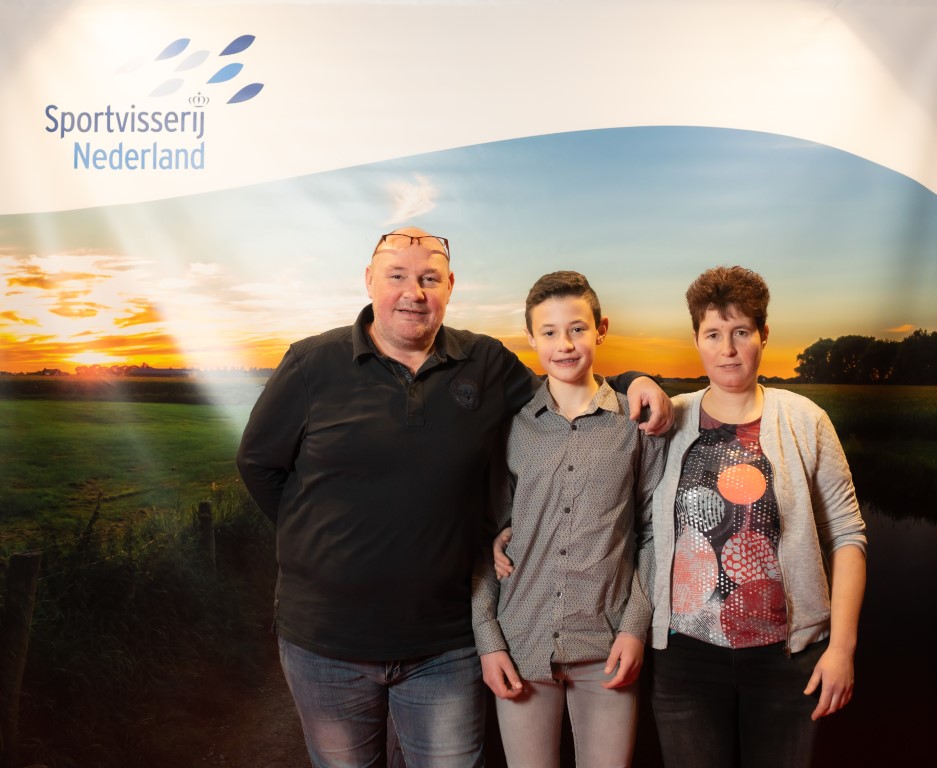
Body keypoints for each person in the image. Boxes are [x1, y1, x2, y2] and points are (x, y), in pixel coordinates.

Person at [235, 227, 673, 768]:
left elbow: (566, 387)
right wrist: (314, 538)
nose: (413, 292)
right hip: (326, 640)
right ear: (369, 280)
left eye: (429, 278)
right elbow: (258, 464)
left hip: (444, 643)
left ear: (449, 286)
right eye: (397, 275)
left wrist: (635, 379)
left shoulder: (484, 363)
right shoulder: (312, 363)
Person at [645, 266, 867, 768]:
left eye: (741, 332)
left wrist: (842, 648)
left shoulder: (805, 420)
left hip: (787, 660)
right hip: (683, 659)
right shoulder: (668, 420)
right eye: (713, 334)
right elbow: (627, 517)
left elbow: (848, 536)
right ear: (697, 340)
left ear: (764, 335)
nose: (728, 349)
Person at [472, 271, 665, 768]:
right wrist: (488, 639)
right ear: (531, 339)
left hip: (607, 645)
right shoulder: (513, 428)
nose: (564, 344)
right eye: (550, 332)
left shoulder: (635, 425)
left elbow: (652, 534)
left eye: (577, 328)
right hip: (521, 642)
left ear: (601, 329)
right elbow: (484, 536)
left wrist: (634, 628)